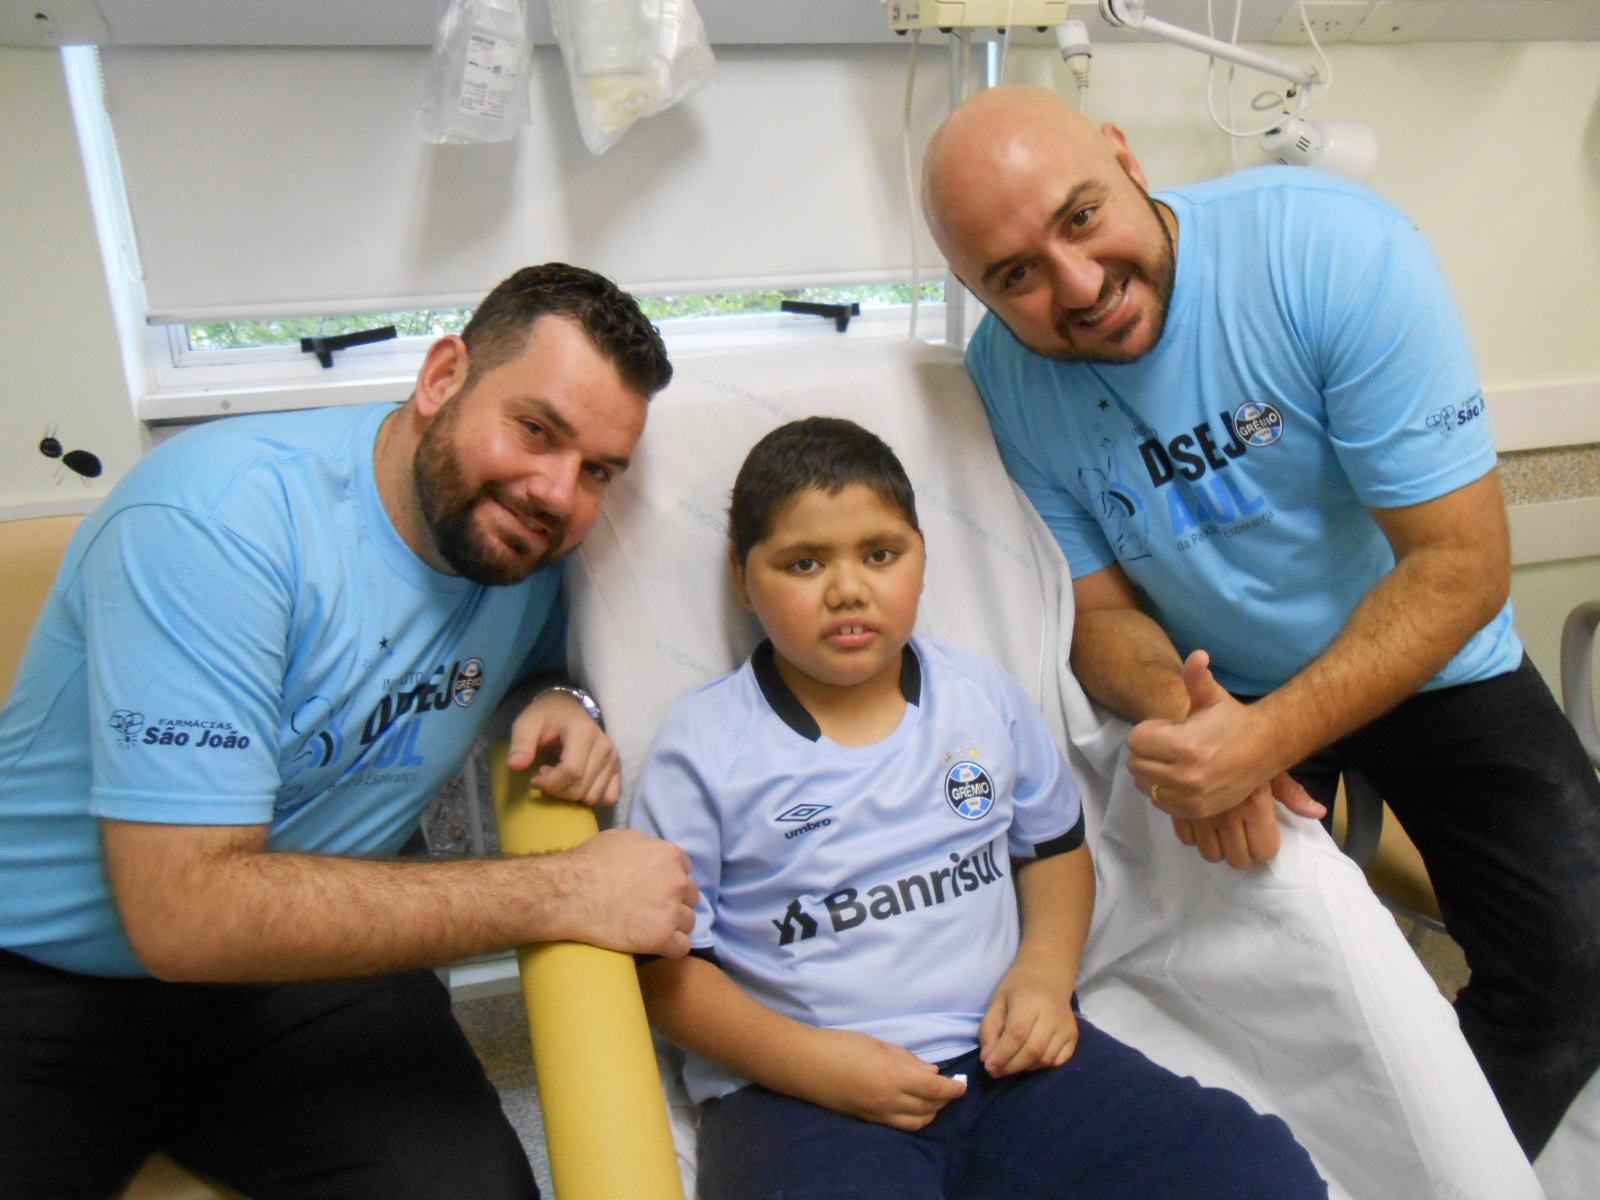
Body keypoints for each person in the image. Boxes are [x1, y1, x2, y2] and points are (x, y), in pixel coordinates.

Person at [920, 84, 1600, 1157]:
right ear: (973, 290)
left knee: (1577, 971)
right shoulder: (1005, 377)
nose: (1079, 286)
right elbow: (1097, 614)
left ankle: (1445, 1172)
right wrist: (1197, 729)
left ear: (1124, 155)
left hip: (1430, 659)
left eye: (1081, 217)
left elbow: (1460, 568)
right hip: (1214, 677)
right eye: (1016, 278)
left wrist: (1261, 743)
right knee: (1235, 981)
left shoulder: (1328, 250)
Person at [0, 263, 701, 1199]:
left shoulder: (518, 547)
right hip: (44, 974)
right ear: (443, 376)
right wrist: (561, 890)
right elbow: (186, 916)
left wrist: (554, 698)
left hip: (307, 970)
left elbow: (532, 660)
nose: (556, 491)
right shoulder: (218, 521)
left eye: (597, 471)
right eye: (536, 430)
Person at [629, 417, 1327, 1200]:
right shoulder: (703, 750)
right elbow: (666, 973)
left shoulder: (981, 699)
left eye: (880, 554)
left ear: (922, 561)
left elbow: (1056, 852)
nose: (848, 589)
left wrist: (1042, 978)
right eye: (803, 563)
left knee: (1256, 1173)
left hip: (1006, 1062)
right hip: (799, 1096)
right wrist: (817, 1067)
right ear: (742, 576)